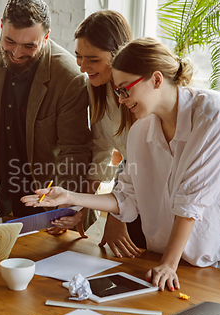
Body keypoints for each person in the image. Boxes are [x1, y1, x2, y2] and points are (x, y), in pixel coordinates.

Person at [22, 37, 220, 291]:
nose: (121, 99)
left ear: (156, 79)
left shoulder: (213, 115)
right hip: (162, 264)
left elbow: (190, 202)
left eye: (125, 89)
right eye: (117, 91)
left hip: (217, 268)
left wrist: (169, 264)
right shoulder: (140, 131)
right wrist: (70, 197)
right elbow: (125, 198)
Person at [0, 0, 91, 218]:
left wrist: (64, 207)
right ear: (1, 26)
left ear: (46, 37)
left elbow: (75, 152)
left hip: (47, 198)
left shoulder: (68, 77)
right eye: (9, 41)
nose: (16, 53)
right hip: (6, 192)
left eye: (29, 46)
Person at [46, 10, 143, 258]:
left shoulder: (140, 94)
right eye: (79, 56)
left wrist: (116, 215)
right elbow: (100, 149)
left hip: (153, 191)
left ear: (118, 55)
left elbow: (139, 163)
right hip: (131, 190)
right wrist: (80, 207)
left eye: (92, 59)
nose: (82, 66)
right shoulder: (96, 88)